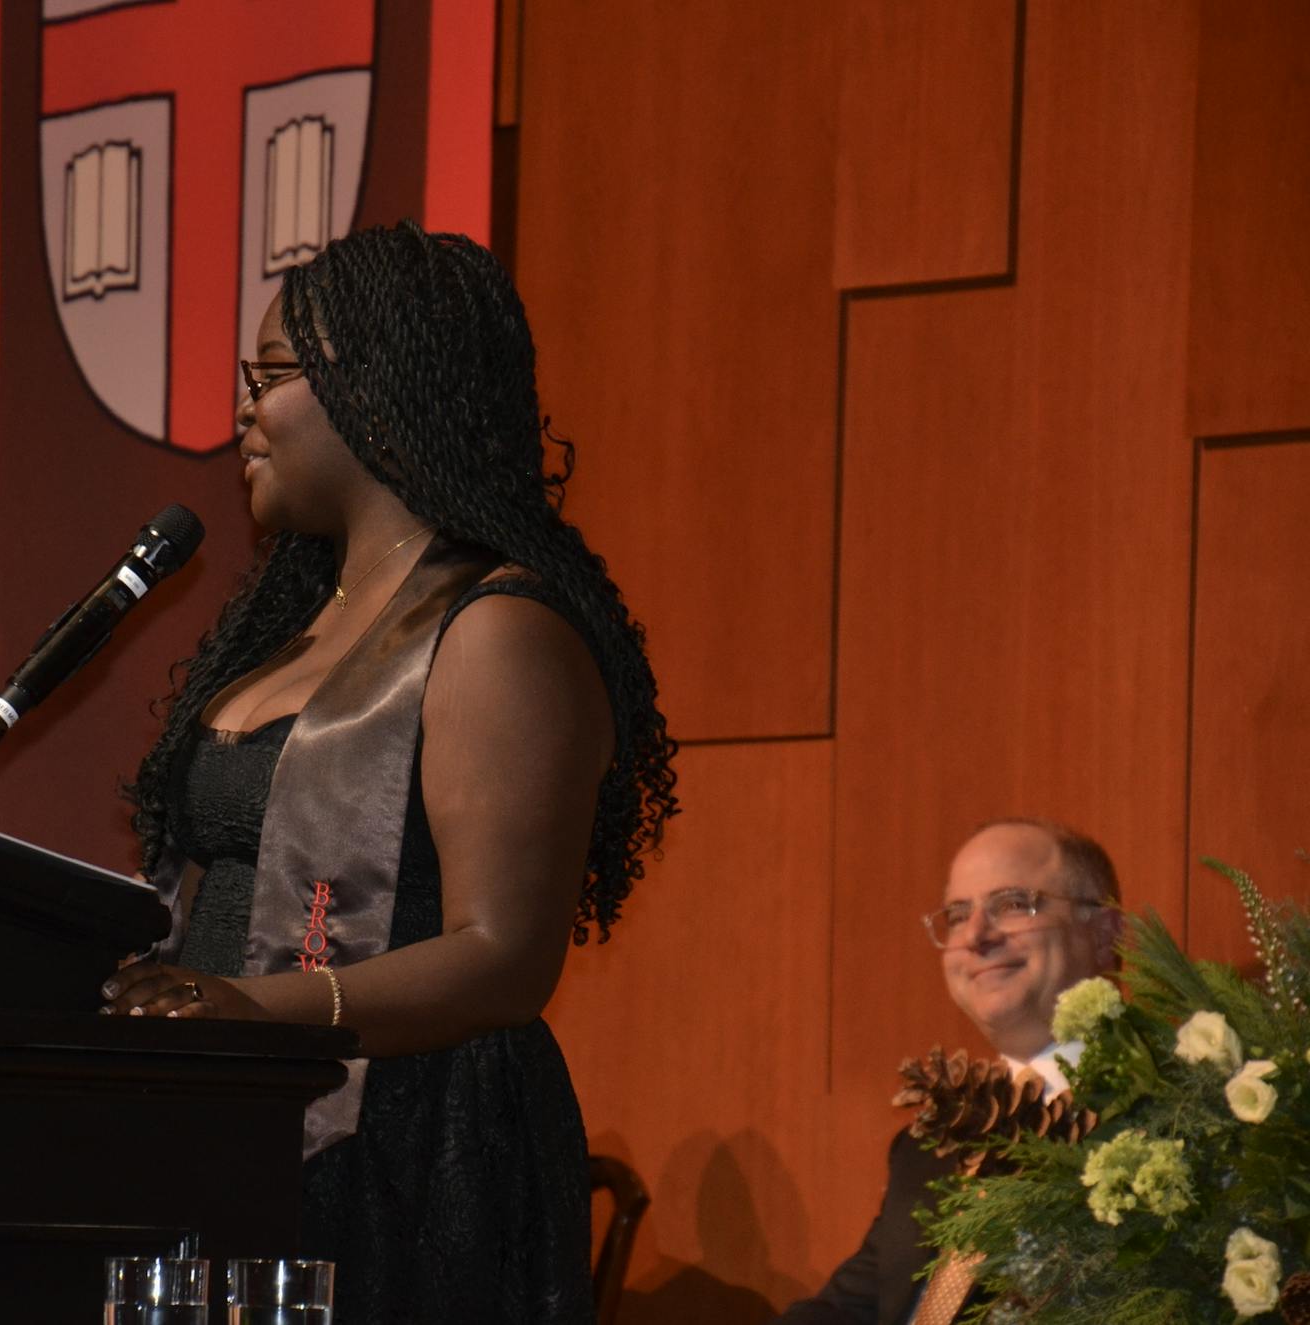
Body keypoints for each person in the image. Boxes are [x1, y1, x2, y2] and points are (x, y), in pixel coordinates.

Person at [100, 221, 678, 1323]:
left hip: (409, 1146)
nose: (242, 413)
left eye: (268, 375)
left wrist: (256, 1010)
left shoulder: (496, 630)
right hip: (229, 1128)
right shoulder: (281, 638)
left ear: (369, 391)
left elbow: (504, 958)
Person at [774, 818, 1124, 1325]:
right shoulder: (930, 1146)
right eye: (958, 915)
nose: (977, 935)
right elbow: (849, 1310)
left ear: (1105, 932)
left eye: (1013, 904)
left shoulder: (1180, 1114)